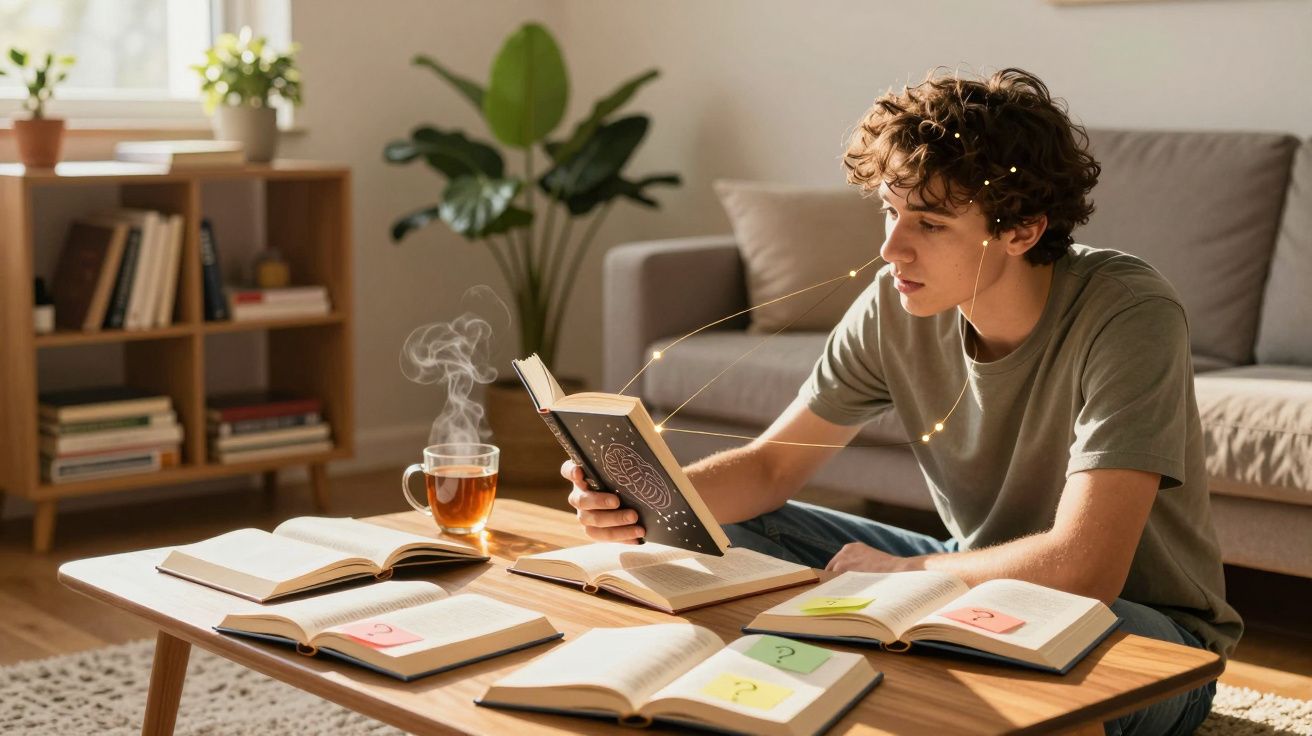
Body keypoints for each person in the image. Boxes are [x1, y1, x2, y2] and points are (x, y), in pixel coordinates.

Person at [561, 67, 1240, 735]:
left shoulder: (1127, 311)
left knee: (1036, 689)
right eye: (890, 211)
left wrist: (907, 574)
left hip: (1143, 625)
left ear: (1022, 229)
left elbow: (1084, 567)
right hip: (971, 578)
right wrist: (647, 497)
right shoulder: (895, 306)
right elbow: (772, 469)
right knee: (728, 536)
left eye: (930, 223)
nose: (890, 248)